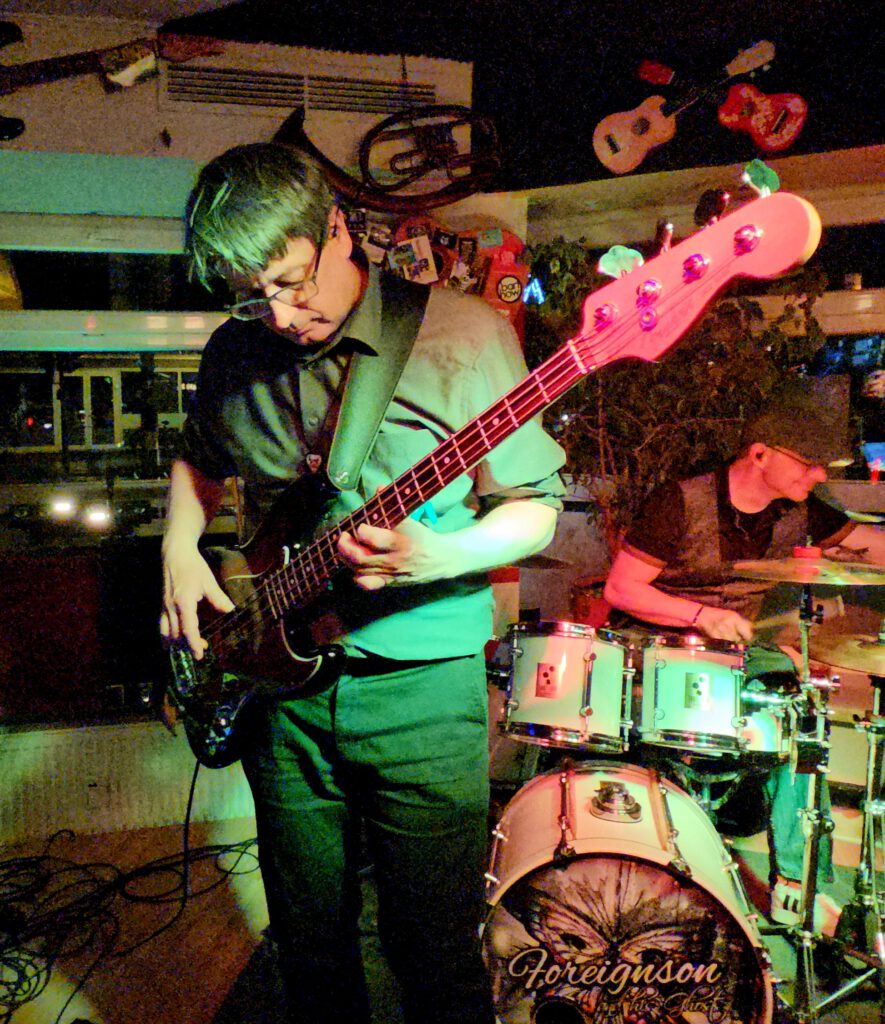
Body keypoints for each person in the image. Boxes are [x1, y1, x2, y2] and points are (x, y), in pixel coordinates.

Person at [159, 142, 566, 1024]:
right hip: (280, 694)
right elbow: (197, 459)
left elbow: (534, 508)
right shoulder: (234, 352)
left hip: (419, 691)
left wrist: (439, 555)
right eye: (251, 296)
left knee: (434, 948)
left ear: (337, 229)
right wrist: (180, 549)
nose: (279, 315)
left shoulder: (464, 336)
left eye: (291, 281)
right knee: (307, 940)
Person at [603, 377, 885, 934]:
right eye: (808, 463)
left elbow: (869, 544)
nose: (819, 475)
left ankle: (796, 887)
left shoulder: (803, 510)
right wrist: (699, 615)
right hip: (653, 648)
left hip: (733, 652)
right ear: (760, 455)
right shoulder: (678, 501)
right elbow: (621, 588)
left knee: (798, 710)